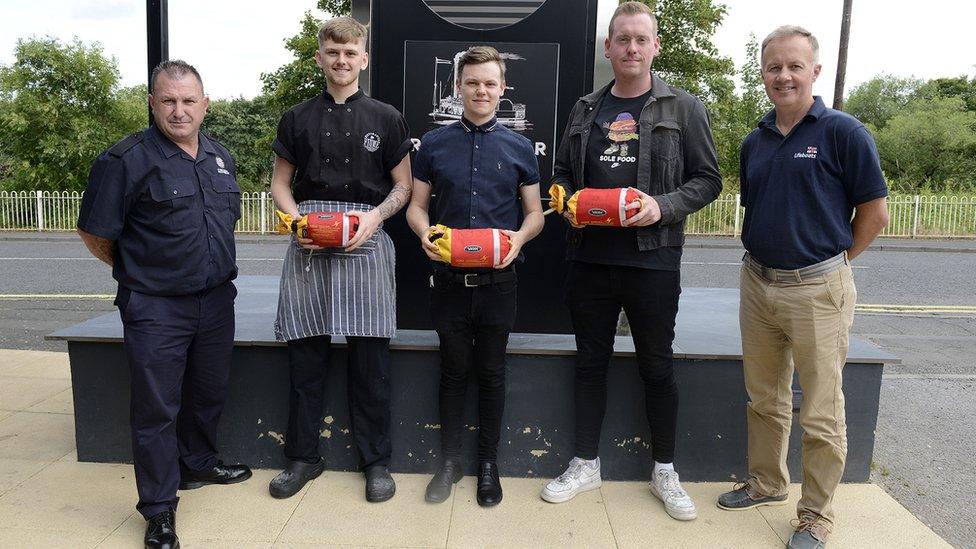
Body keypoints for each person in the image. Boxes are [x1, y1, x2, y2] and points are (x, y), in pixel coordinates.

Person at [539, 1, 722, 521]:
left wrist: (660, 207)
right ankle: (585, 462)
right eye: (623, 39)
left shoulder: (682, 108)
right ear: (608, 47)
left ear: (655, 45)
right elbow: (561, 173)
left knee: (657, 366)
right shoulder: (583, 109)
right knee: (589, 364)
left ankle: (665, 469)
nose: (632, 48)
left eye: (642, 39)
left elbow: (708, 179)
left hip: (653, 260)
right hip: (589, 260)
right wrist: (564, 199)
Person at [716, 26, 889, 549]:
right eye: (773, 67)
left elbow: (874, 214)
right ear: (763, 74)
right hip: (757, 281)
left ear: (814, 71)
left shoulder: (844, 133)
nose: (783, 76)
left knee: (820, 408)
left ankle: (816, 514)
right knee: (764, 397)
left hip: (818, 289)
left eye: (794, 66)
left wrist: (832, 264)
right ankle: (767, 482)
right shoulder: (755, 140)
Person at [77, 59, 251, 549]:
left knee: (209, 391)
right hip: (156, 307)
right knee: (156, 410)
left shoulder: (220, 156)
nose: (179, 111)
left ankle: (197, 464)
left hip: (216, 301)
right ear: (152, 103)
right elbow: (95, 232)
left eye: (188, 100)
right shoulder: (124, 160)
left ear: (205, 104)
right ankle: (159, 509)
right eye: (168, 101)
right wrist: (139, 272)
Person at [267, 16, 413, 503]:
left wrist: (373, 221)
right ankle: (303, 458)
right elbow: (280, 186)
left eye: (351, 53)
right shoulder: (296, 117)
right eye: (333, 52)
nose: (342, 60)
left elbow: (403, 187)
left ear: (364, 58)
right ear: (320, 57)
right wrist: (296, 224)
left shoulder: (387, 117)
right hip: (310, 236)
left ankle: (376, 462)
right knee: (305, 356)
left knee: (370, 361)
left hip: (367, 238)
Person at [406, 46, 544, 507]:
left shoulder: (521, 147)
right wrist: (425, 234)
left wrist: (518, 241)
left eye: (490, 83)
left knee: (491, 374)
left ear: (502, 88)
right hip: (447, 282)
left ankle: (488, 464)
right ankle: (448, 462)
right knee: (452, 373)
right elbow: (417, 207)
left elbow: (535, 215)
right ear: (459, 86)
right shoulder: (433, 145)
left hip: (499, 284)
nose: (481, 90)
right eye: (472, 82)